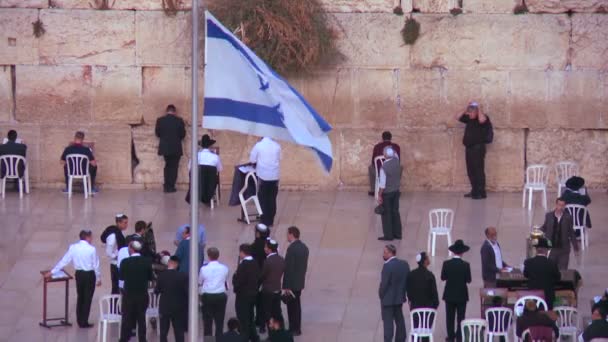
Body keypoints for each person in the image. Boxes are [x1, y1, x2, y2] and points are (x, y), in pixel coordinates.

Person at [45, 229, 100, 328]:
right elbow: (96, 265)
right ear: (87, 237)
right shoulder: (92, 249)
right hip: (89, 275)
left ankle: (79, 320)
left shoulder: (73, 247)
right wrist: (98, 278)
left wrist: (52, 271)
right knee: (87, 298)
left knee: (80, 296)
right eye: (91, 237)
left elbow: (64, 261)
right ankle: (84, 321)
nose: (92, 239)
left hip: (79, 275)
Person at [119, 240, 154, 342]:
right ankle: (142, 339)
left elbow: (121, 279)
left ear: (131, 248)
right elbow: (150, 278)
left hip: (128, 295)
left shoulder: (125, 262)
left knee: (126, 318)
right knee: (141, 318)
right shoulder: (147, 261)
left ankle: (124, 339)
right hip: (142, 295)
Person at [455, 101, 490, 199]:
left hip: (478, 149)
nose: (469, 114)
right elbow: (457, 116)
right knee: (471, 171)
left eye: (471, 112)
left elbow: (482, 119)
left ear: (476, 112)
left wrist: (479, 108)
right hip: (469, 148)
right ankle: (474, 190)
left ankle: (481, 192)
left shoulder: (483, 118)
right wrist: (466, 107)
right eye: (468, 112)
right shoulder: (469, 119)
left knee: (478, 170)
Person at [441, 240, 472, 342]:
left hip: (449, 294)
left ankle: (450, 337)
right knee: (460, 317)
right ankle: (459, 337)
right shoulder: (466, 265)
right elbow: (468, 280)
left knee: (449, 317)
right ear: (462, 252)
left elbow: (443, 277)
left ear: (453, 252)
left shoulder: (446, 264)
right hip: (462, 295)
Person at [379, 244, 410, 342]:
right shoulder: (404, 264)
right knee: (399, 321)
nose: (383, 254)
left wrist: (381, 295)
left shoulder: (387, 266)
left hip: (387, 301)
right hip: (399, 299)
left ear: (391, 253)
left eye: (385, 252)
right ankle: (401, 339)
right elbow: (407, 281)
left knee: (388, 325)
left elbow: (384, 285)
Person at [282, 226, 309, 336]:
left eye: (287, 234)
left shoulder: (291, 249)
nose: (287, 236)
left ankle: (293, 328)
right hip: (299, 282)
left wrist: (286, 285)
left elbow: (289, 268)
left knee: (292, 307)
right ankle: (297, 327)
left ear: (292, 234)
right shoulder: (304, 247)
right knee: (297, 305)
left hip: (292, 283)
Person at [155, 255, 188, 342]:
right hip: (178, 307)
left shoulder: (161, 275)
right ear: (177, 264)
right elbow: (186, 292)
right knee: (179, 332)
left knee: (163, 332)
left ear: (169, 263)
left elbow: (157, 291)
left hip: (164, 307)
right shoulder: (183, 276)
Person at [249, 137, 281, 227]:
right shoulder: (277, 146)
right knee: (272, 198)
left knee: (262, 198)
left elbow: (252, 160)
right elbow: (279, 158)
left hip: (263, 176)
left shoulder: (258, 145)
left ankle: (264, 219)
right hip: (274, 176)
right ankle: (270, 220)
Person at [540, 197, 579, 270]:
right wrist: (536, 232)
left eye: (562, 205)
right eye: (559, 205)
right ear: (556, 204)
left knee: (563, 272)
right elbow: (545, 227)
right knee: (551, 270)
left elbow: (571, 233)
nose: (560, 207)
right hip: (551, 249)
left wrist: (575, 248)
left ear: (564, 206)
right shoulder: (548, 216)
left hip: (564, 250)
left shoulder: (568, 217)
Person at [233, 244, 261, 342]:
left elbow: (239, 281)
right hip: (253, 294)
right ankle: (254, 337)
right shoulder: (255, 263)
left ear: (242, 252)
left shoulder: (243, 265)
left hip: (243, 296)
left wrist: (234, 279)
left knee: (243, 318)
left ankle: (244, 337)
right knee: (250, 316)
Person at [199, 247, 230, 337]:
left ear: (208, 256)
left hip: (208, 296)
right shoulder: (224, 268)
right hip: (220, 295)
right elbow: (225, 281)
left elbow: (200, 282)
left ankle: (208, 339)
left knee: (207, 322)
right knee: (219, 321)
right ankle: (219, 339)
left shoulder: (204, 269)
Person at [155, 104, 186, 193]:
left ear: (167, 111)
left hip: (165, 148)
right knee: (174, 167)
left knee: (167, 166)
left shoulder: (160, 120)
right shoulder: (179, 121)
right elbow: (183, 135)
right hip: (176, 148)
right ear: (174, 111)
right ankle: (171, 186)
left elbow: (157, 133)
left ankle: (166, 186)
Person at [523, 238, 561, 310]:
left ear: (536, 250)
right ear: (546, 251)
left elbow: (526, 274)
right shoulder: (552, 263)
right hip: (548, 298)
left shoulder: (528, 262)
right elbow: (558, 278)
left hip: (533, 297)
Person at [377, 147, 403, 241]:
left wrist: (379, 195)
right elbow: (395, 153)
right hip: (396, 191)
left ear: (385, 155)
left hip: (387, 193)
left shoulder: (384, 168)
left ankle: (388, 235)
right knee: (395, 212)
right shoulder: (396, 160)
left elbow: (382, 185)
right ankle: (398, 234)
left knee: (386, 214)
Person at [261, 239, 285, 332]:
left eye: (266, 247)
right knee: (277, 311)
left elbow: (262, 275)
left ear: (269, 249)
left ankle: (272, 333)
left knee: (268, 313)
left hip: (268, 290)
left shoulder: (268, 261)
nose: (265, 248)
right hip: (277, 289)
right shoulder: (282, 259)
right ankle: (281, 329)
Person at [101, 213, 129, 294]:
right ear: (118, 223)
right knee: (116, 287)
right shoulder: (113, 236)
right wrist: (117, 256)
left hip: (120, 264)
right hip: (115, 265)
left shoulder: (120, 233)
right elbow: (108, 252)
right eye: (125, 223)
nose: (126, 225)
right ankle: (114, 305)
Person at [368, 131, 401, 196]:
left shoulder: (377, 146)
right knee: (400, 167)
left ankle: (373, 190)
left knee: (370, 167)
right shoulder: (396, 147)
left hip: (380, 170)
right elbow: (398, 160)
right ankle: (396, 189)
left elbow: (373, 161)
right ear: (391, 138)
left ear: (382, 138)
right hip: (393, 172)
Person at [252, 223, 270, 330]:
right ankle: (262, 323)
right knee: (264, 301)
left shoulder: (253, 246)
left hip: (257, 277)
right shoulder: (269, 246)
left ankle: (259, 321)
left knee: (257, 300)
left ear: (258, 234)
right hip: (266, 277)